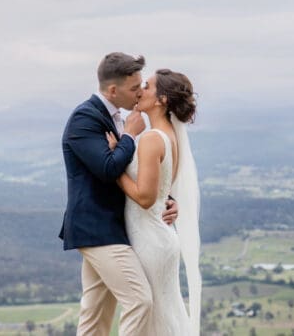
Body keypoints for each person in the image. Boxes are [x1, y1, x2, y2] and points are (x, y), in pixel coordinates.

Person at [59, 52, 178, 336]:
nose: (139, 93)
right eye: (134, 88)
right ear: (113, 90)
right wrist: (129, 136)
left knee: (96, 313)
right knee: (139, 301)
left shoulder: (116, 117)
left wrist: (167, 200)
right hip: (96, 228)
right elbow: (108, 169)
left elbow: (136, 173)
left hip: (115, 228)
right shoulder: (84, 118)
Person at [108, 68, 201, 336]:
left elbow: (146, 198)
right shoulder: (170, 135)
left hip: (149, 240)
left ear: (161, 100)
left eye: (147, 87)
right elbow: (162, 190)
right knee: (164, 317)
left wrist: (115, 166)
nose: (140, 91)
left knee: (152, 321)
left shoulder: (150, 139)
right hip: (160, 237)